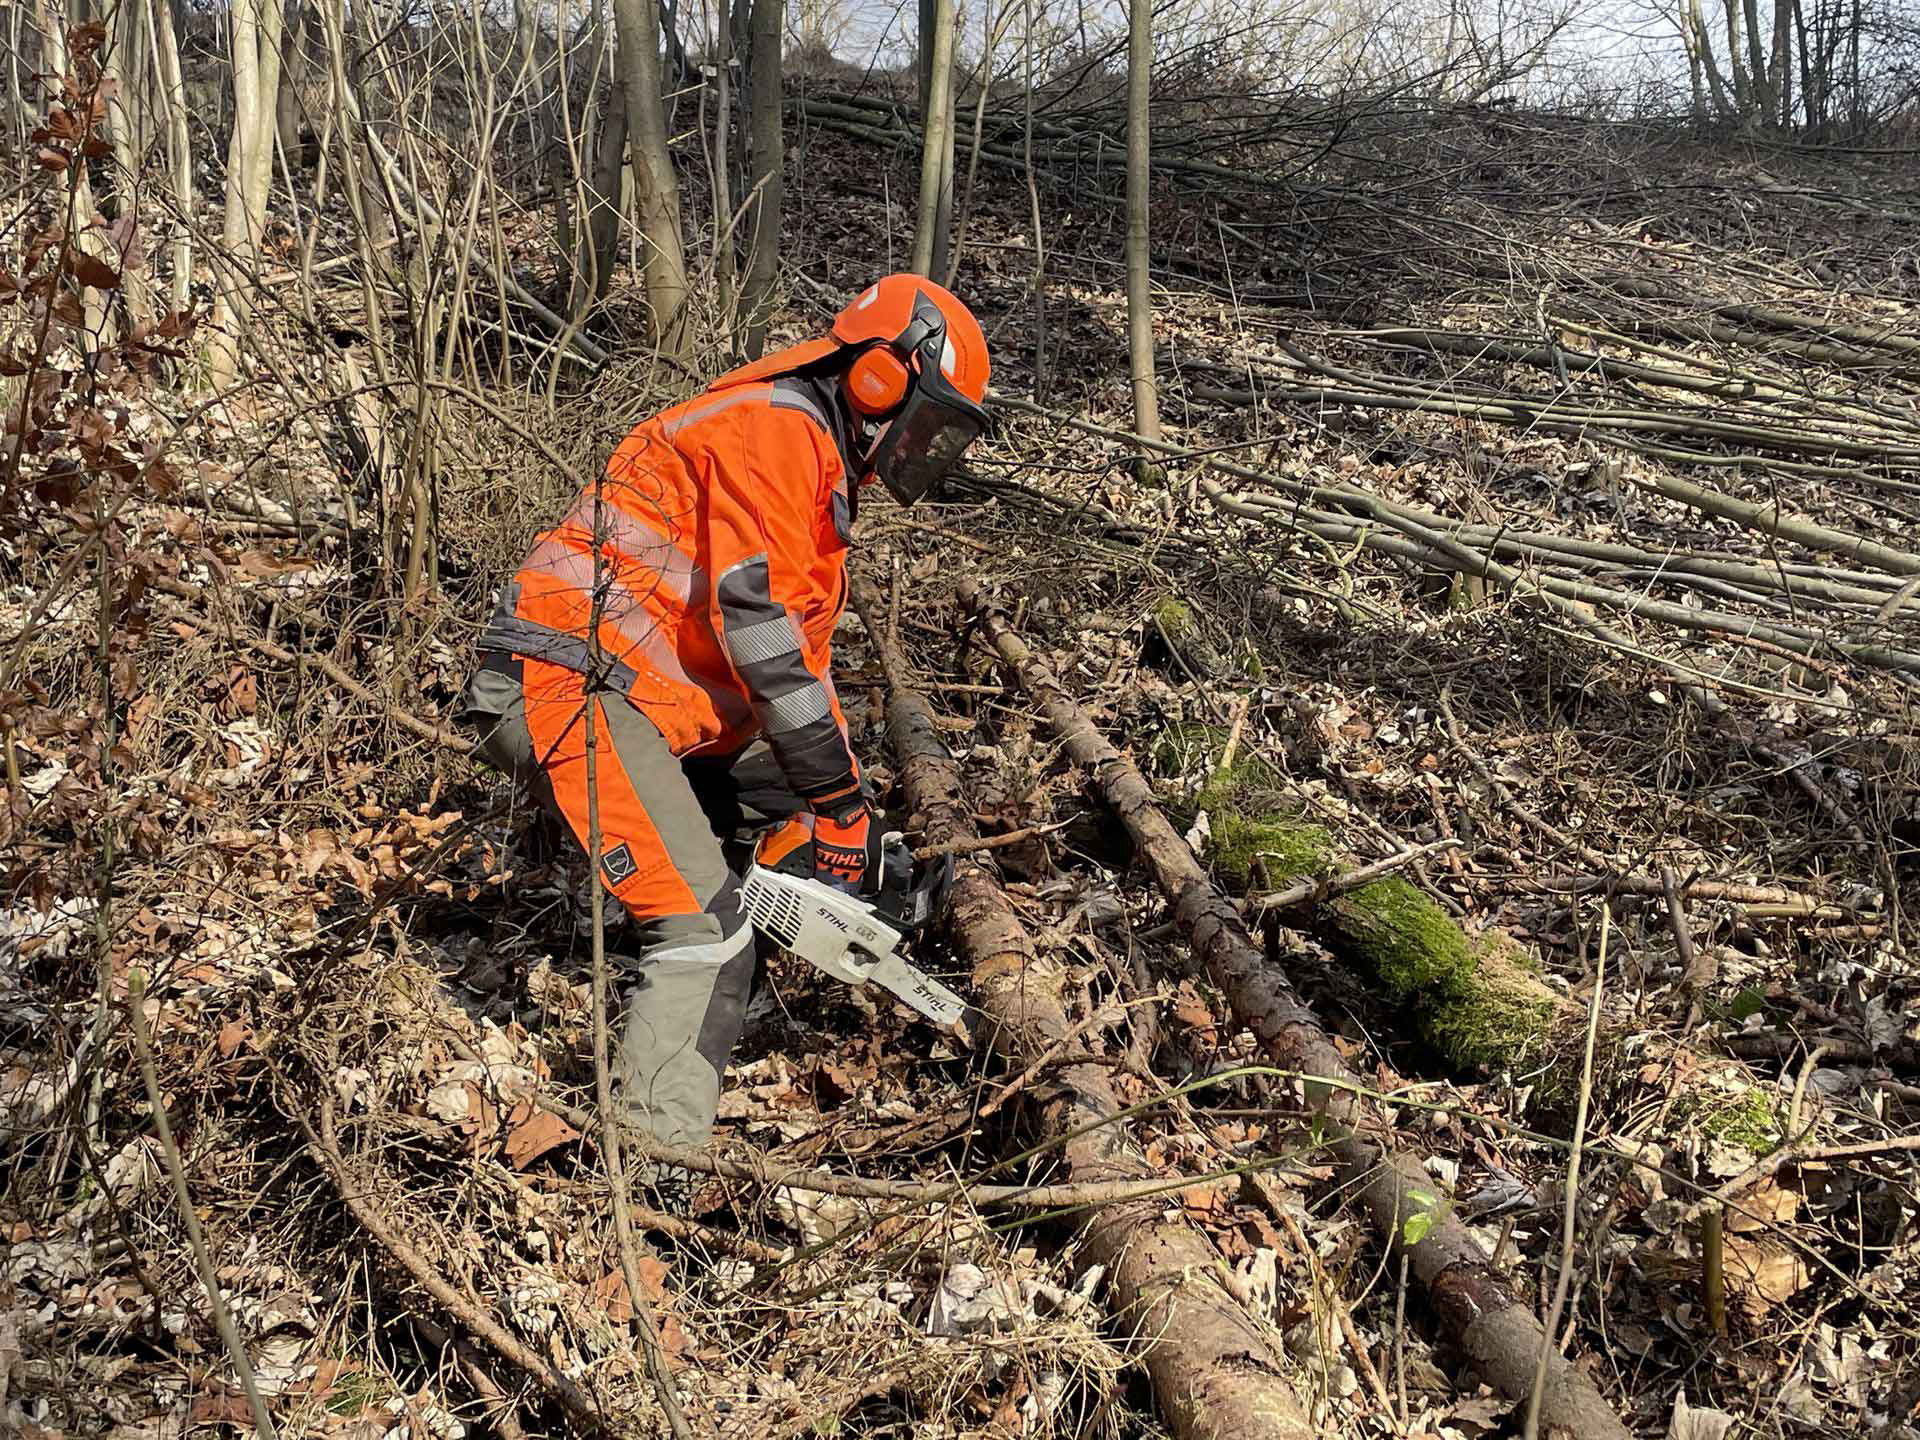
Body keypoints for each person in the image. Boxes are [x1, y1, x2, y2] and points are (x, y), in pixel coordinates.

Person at [459, 274, 991, 1162]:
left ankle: (777, 921)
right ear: (880, 380)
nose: (925, 446)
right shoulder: (775, 431)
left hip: (651, 702)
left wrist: (834, 817)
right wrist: (838, 804)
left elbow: (796, 673)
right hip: (565, 685)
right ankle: (650, 1172)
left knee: (807, 819)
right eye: (928, 422)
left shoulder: (815, 460)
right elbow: (763, 636)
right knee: (706, 935)